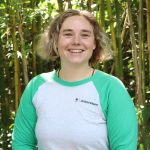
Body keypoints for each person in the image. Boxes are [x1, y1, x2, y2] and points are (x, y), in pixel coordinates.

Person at [12, 9, 138, 150]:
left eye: (85, 35)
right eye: (68, 34)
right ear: (55, 40)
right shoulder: (37, 85)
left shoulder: (112, 88)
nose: (76, 41)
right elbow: (22, 144)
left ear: (94, 43)